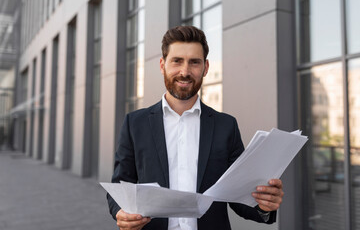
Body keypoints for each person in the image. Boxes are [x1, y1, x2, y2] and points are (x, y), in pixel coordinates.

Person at [107, 26, 284, 230]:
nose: (185, 72)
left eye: (194, 62)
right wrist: (120, 212)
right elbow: (120, 186)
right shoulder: (134, 123)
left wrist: (264, 204)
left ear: (205, 67)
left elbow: (239, 198)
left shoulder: (226, 126)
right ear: (162, 65)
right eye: (177, 61)